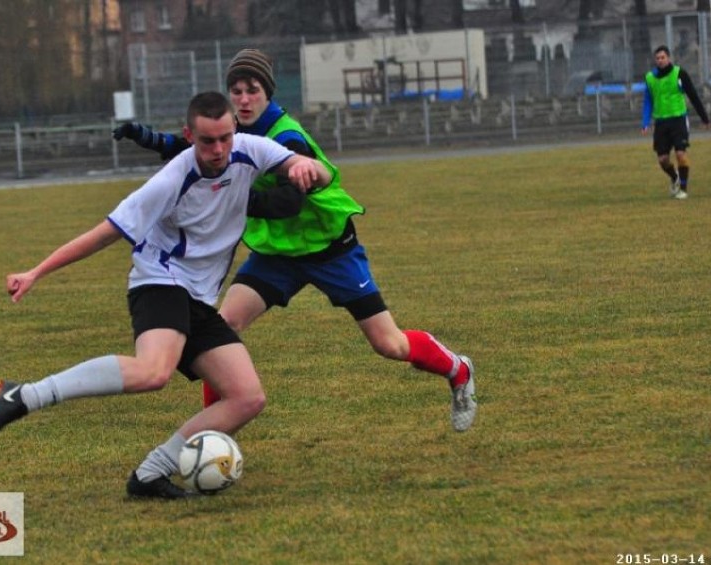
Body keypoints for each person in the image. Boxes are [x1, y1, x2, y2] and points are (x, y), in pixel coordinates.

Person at [0, 91, 332, 499]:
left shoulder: (251, 150)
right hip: (159, 280)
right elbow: (103, 234)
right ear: (188, 135)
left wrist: (309, 168)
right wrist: (37, 271)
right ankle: (25, 394)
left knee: (247, 397)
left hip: (198, 297)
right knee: (153, 372)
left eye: (224, 138)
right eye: (206, 141)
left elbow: (319, 173)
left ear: (234, 129)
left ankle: (150, 474)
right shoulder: (170, 180)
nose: (218, 150)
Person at [113, 48, 477, 432]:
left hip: (330, 252)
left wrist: (229, 201)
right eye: (235, 91)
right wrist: (149, 138)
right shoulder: (235, 130)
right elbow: (198, 149)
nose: (243, 99)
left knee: (390, 345)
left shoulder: (288, 137)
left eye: (252, 90)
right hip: (278, 255)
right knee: (221, 329)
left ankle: (458, 369)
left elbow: (288, 202)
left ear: (267, 92)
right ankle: (211, 434)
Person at [641, 45, 709, 200]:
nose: (660, 60)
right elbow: (648, 102)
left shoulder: (679, 74)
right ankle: (675, 177)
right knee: (663, 160)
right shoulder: (650, 78)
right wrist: (645, 122)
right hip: (661, 122)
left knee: (680, 154)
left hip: (678, 120)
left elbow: (693, 96)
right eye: (657, 58)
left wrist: (704, 118)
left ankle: (683, 189)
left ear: (668, 58)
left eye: (663, 57)